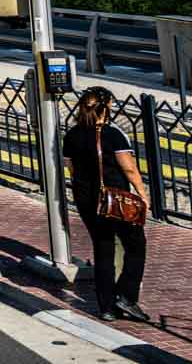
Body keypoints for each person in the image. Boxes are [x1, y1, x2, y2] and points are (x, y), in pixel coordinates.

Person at [62, 86, 150, 324]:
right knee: (136, 246)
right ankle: (127, 297)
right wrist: (142, 194)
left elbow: (71, 168)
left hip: (87, 201)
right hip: (115, 200)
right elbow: (129, 168)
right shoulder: (112, 134)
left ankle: (107, 308)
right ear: (107, 106)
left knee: (103, 250)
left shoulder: (72, 135)